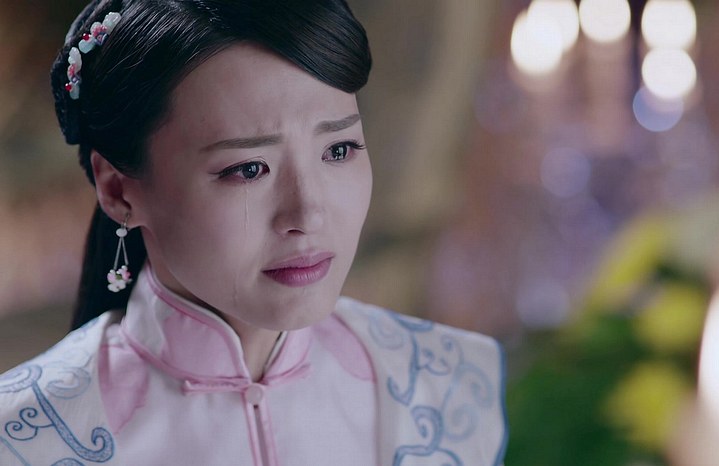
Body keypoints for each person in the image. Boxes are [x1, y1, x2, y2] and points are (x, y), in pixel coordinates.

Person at [0, 0, 507, 464]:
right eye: (247, 169)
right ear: (118, 191)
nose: (308, 214)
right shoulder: (23, 438)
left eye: (338, 150)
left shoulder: (450, 384)